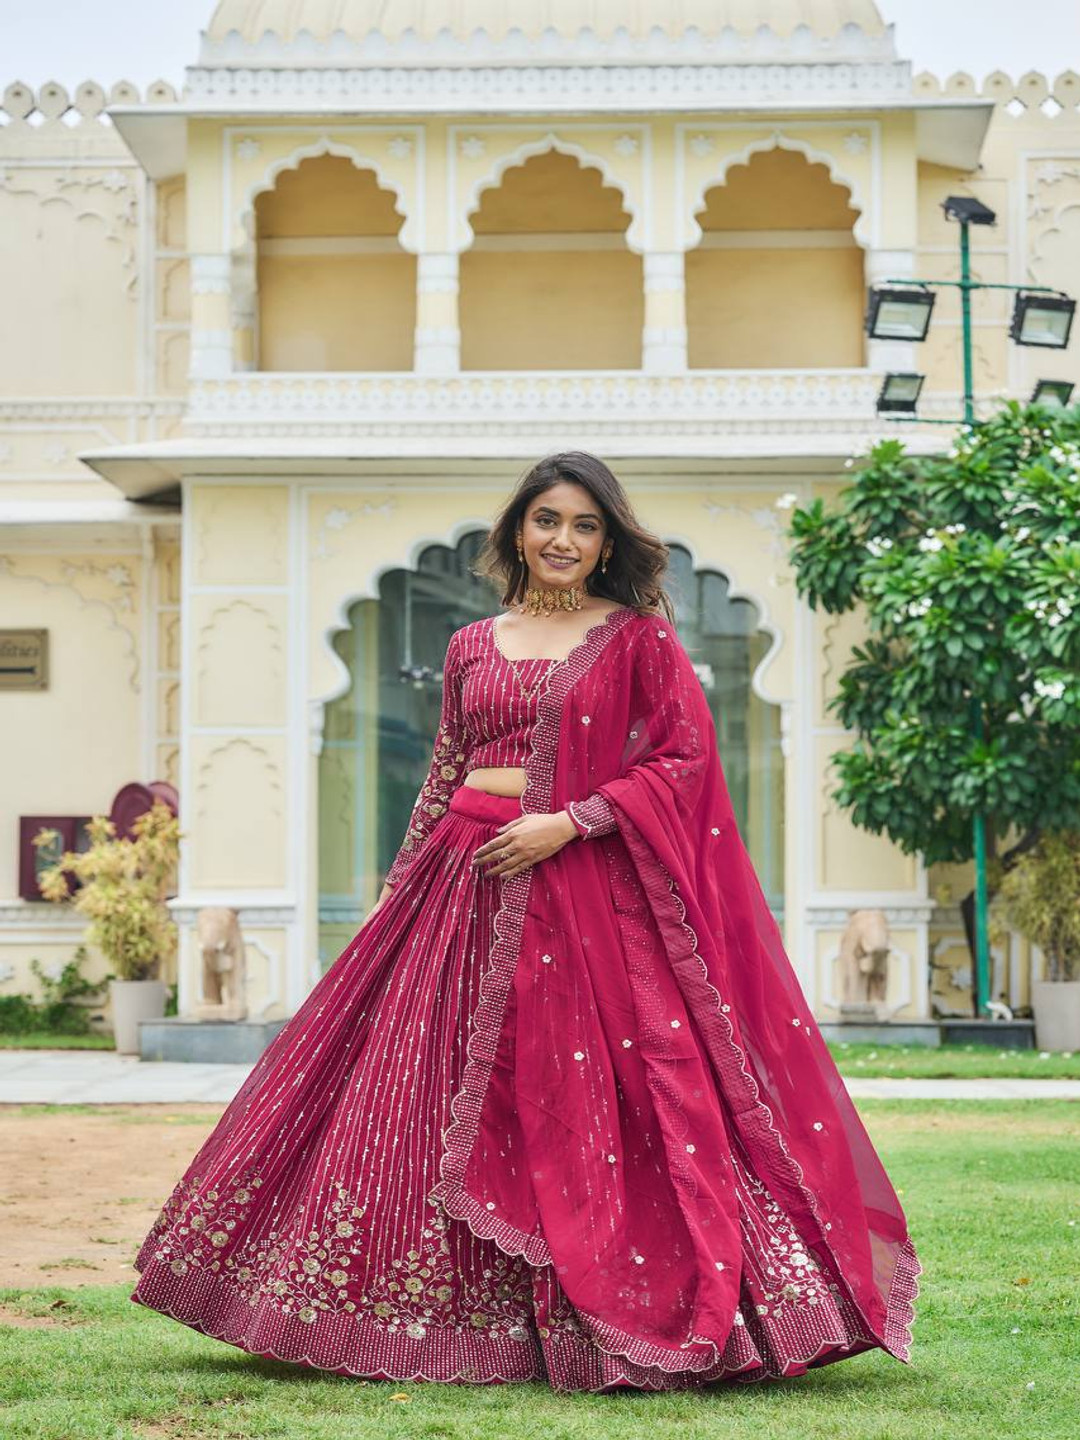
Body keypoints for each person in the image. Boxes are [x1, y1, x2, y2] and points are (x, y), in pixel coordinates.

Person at [130, 451, 920, 1393]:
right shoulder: (472, 644)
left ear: (607, 543)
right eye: (548, 520)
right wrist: (401, 886)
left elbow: (681, 763)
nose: (564, 541)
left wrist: (570, 822)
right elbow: (445, 765)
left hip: (577, 882)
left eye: (585, 526)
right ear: (515, 531)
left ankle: (601, 1307)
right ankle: (426, 1316)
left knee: (581, 1090)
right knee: (420, 1088)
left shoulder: (638, 641)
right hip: (458, 879)